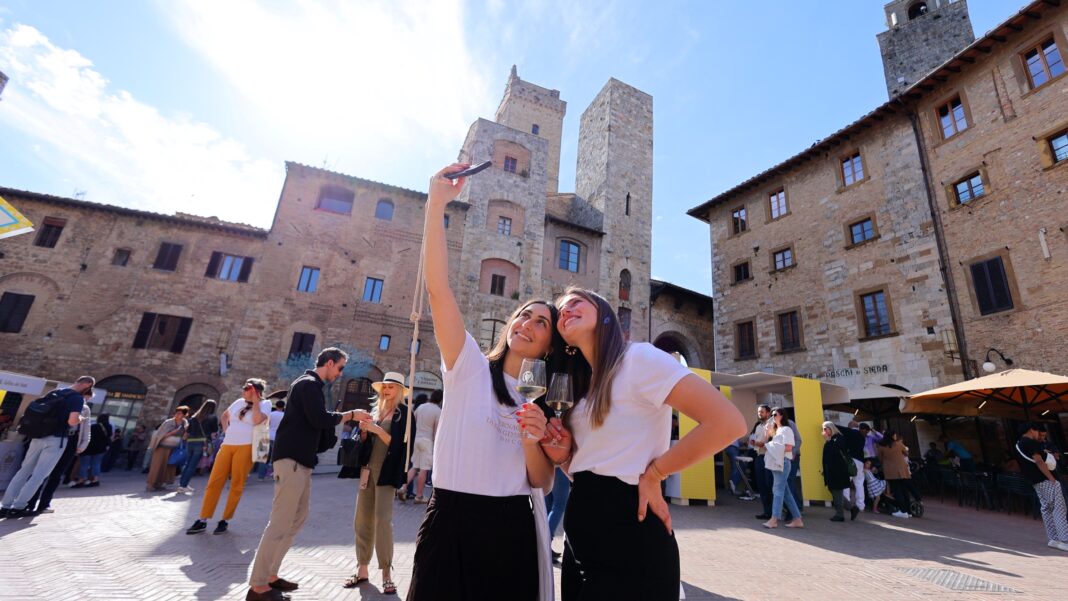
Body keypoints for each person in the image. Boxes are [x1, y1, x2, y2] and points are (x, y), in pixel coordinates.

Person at [406, 163, 560, 601]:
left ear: (549, 345)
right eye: (525, 314)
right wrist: (435, 205)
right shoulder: (468, 365)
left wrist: (532, 434)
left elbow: (542, 482)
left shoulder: (541, 401)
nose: (528, 322)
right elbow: (438, 290)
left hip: (510, 532)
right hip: (451, 522)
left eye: (542, 322)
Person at [547, 286, 747, 600]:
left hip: (628, 527)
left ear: (605, 315)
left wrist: (656, 474)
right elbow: (593, 462)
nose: (566, 310)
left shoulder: (638, 358)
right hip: (581, 526)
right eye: (560, 311)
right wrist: (563, 458)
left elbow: (728, 423)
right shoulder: (583, 385)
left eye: (576, 302)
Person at [245, 347, 371, 601]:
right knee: (280, 522)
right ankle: (258, 586)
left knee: (297, 519)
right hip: (291, 459)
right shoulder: (307, 384)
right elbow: (319, 418)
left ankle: (270, 575)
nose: (340, 373)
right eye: (340, 367)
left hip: (301, 461)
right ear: (329, 363)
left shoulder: (312, 386)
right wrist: (351, 415)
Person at [345, 372, 409, 594]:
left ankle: (386, 573)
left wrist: (378, 430)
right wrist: (364, 433)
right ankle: (362, 570)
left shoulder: (405, 415)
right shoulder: (375, 411)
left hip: (386, 473)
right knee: (362, 520)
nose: (387, 390)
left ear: (400, 390)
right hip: (367, 471)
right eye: (385, 387)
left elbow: (401, 446)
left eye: (391, 387)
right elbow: (367, 444)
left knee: (383, 521)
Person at [187, 379, 269, 535]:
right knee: (214, 482)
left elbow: (258, 420)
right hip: (227, 445)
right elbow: (225, 416)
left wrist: (256, 401)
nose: (243, 391)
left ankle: (225, 520)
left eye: (246, 388)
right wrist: (227, 433)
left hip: (246, 447)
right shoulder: (239, 402)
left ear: (255, 391)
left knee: (236, 484)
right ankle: (203, 519)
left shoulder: (265, 404)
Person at [1, 377, 93, 519]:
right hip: (56, 439)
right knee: (39, 475)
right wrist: (81, 419)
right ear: (87, 384)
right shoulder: (77, 398)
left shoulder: (56, 392)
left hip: (38, 436)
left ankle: (5, 505)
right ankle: (18, 507)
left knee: (23, 471)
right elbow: (72, 420)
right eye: (90, 386)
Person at [27, 401, 91, 515]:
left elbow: (86, 428)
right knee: (41, 472)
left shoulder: (85, 408)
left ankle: (44, 504)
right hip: (54, 438)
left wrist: (82, 445)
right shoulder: (62, 403)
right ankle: (29, 502)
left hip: (70, 441)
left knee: (56, 474)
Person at [1015, 423, 1068, 551]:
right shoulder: (1030, 442)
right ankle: (1064, 540)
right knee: (1058, 508)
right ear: (1031, 430)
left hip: (1035, 481)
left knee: (1046, 508)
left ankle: (1053, 539)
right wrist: (1052, 478)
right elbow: (1039, 461)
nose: (1039, 435)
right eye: (1037, 432)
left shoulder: (1019, 444)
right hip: (1045, 479)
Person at [761, 408, 804, 529]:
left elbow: (789, 447)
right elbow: (764, 442)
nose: (772, 417)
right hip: (778, 462)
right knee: (786, 493)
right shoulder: (777, 430)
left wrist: (771, 447)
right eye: (772, 415)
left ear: (781, 416)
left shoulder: (787, 429)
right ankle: (797, 519)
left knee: (778, 491)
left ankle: (774, 519)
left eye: (775, 415)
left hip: (783, 463)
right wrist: (767, 433)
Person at [404, 389, 441, 504]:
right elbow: (436, 430)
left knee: (414, 466)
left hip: (417, 438)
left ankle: (402, 488)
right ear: (440, 399)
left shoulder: (421, 407)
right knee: (424, 469)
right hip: (427, 440)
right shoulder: (438, 411)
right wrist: (435, 444)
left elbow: (413, 422)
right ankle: (419, 496)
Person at [821, 422, 858, 522]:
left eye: (825, 429)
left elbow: (837, 450)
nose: (824, 431)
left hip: (838, 470)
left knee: (837, 492)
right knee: (834, 491)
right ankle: (852, 508)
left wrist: (828, 441)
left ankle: (839, 514)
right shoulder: (830, 440)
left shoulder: (839, 438)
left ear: (831, 428)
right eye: (823, 429)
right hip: (831, 470)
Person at [177, 400, 217, 493]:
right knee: (192, 465)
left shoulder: (194, 417)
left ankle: (182, 484)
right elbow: (215, 429)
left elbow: (189, 430)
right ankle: (183, 486)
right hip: (201, 443)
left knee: (188, 464)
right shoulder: (212, 417)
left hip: (190, 442)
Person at [146, 408, 189, 491]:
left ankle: (160, 483)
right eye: (176, 413)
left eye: (179, 413)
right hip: (162, 446)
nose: (177, 415)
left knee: (168, 466)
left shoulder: (184, 424)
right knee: (157, 465)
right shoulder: (168, 422)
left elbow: (184, 436)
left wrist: (186, 431)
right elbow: (160, 434)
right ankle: (150, 484)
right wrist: (171, 433)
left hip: (173, 448)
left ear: (184, 415)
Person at [877, 430, 915, 518]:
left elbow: (880, 459)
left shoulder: (881, 446)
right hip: (902, 470)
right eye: (894, 435)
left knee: (897, 491)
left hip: (891, 471)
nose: (895, 436)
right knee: (904, 490)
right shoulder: (899, 444)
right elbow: (906, 453)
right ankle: (908, 511)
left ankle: (903, 510)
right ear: (892, 436)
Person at [71, 412, 112, 488]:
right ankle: (95, 480)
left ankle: (81, 479)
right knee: (96, 464)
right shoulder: (109, 427)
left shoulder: (94, 427)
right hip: (101, 449)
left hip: (89, 448)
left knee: (84, 464)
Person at [749, 404, 774, 520]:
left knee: (770, 485)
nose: (760, 414)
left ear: (768, 413)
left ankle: (775, 512)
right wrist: (754, 443)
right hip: (759, 456)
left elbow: (771, 441)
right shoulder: (758, 426)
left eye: (762, 412)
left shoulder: (772, 425)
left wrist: (761, 444)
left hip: (769, 456)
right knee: (762, 485)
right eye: (759, 412)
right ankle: (767, 512)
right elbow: (754, 440)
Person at [840, 423, 867, 513]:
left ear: (850, 426)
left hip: (851, 460)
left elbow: (838, 427)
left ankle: (846, 503)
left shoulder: (850, 432)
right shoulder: (862, 436)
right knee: (859, 483)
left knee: (846, 482)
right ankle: (861, 505)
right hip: (860, 462)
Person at [257, 400, 286, 481]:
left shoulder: (270, 414)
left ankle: (260, 476)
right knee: (276, 457)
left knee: (262, 456)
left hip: (267, 435)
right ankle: (274, 474)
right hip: (278, 437)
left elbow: (266, 424)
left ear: (276, 406)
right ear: (283, 407)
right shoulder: (285, 416)